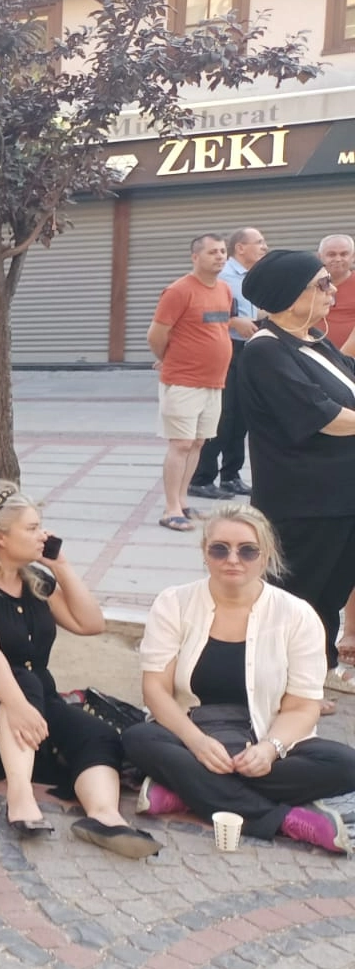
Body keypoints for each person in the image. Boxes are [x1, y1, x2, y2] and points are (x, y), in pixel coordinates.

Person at [0, 482, 161, 858]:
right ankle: (20, 798)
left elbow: (91, 623)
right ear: (0, 537)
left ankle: (104, 818)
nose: (44, 535)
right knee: (23, 681)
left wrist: (62, 567)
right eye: (32, 528)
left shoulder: (35, 581)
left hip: (34, 695)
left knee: (98, 734)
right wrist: (19, 706)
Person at [124, 505, 355, 855]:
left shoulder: (297, 615)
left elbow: (302, 707)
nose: (233, 559)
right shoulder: (174, 603)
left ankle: (185, 790)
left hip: (265, 735)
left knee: (345, 765)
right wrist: (197, 743)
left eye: (247, 551)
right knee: (138, 739)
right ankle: (284, 820)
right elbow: (155, 691)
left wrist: (269, 749)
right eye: (220, 549)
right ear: (205, 553)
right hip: (191, 733)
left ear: (265, 557)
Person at [236, 249, 355, 709]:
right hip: (304, 502)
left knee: (326, 597)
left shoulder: (313, 340)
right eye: (321, 284)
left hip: (339, 496)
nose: (333, 290)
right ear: (289, 295)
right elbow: (324, 416)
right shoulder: (266, 351)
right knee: (296, 597)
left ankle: (308, 681)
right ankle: (279, 689)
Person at [147, 234, 234, 533]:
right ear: (195, 257)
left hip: (214, 381)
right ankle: (170, 509)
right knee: (181, 443)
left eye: (222, 251)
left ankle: (183, 501)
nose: (220, 256)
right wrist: (167, 358)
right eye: (212, 252)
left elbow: (220, 328)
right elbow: (156, 335)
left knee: (198, 442)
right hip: (184, 380)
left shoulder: (224, 289)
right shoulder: (178, 291)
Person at [189, 227, 267, 501]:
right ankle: (201, 478)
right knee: (222, 416)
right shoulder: (221, 277)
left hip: (248, 350)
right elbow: (204, 314)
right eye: (259, 242)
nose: (265, 247)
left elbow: (251, 311)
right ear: (241, 248)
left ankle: (231, 476)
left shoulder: (253, 276)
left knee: (242, 416)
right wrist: (234, 321)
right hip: (225, 349)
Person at [319, 234, 355, 355]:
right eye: (331, 254)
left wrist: (343, 359)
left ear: (353, 257)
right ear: (320, 257)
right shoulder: (309, 285)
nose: (338, 259)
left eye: (344, 254)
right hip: (314, 358)